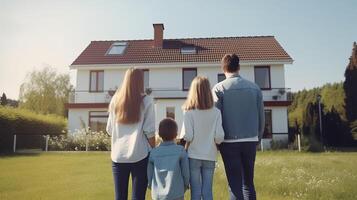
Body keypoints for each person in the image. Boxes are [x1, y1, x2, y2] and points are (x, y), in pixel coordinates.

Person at [212, 54, 265, 200]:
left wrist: (216, 141)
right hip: (251, 140)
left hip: (228, 142)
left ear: (223, 69)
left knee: (234, 185)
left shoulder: (218, 88)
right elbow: (262, 117)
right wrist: (257, 138)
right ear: (239, 67)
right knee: (248, 183)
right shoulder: (255, 88)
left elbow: (215, 118)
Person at [106, 68, 156, 200]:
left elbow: (109, 130)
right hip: (140, 155)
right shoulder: (147, 100)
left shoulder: (115, 100)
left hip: (118, 156)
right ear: (141, 81)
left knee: (120, 197)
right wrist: (155, 150)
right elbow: (150, 132)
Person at [180, 76, 225, 200]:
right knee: (207, 190)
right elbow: (219, 137)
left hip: (193, 155)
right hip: (210, 155)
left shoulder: (188, 112)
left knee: (195, 190)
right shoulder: (216, 112)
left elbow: (187, 136)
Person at [147, 118, 190, 200]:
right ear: (176, 134)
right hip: (177, 193)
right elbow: (186, 173)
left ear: (159, 134)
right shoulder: (180, 150)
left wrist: (151, 187)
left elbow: (149, 176)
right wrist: (185, 186)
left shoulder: (153, 152)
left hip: (158, 195)